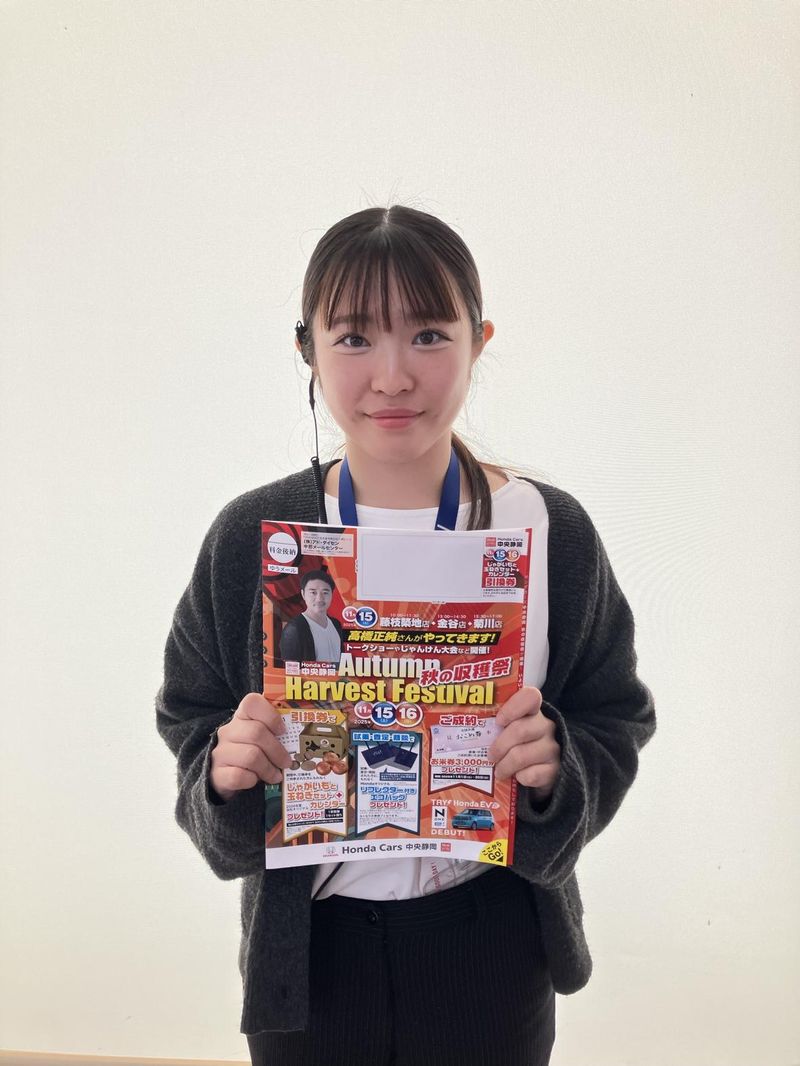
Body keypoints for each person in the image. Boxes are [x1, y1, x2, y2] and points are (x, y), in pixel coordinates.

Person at [156, 205, 656, 1066]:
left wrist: (556, 766)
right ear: (308, 348)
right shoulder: (255, 535)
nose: (391, 376)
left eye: (428, 334)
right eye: (354, 337)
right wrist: (226, 775)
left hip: (493, 940)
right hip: (310, 953)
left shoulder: (548, 530)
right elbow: (190, 713)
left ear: (478, 341)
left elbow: (616, 713)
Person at [278, 569, 343, 664]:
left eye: (325, 592)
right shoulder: (294, 629)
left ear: (332, 595)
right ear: (303, 594)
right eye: (313, 592)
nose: (319, 599)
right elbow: (289, 668)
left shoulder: (336, 624)